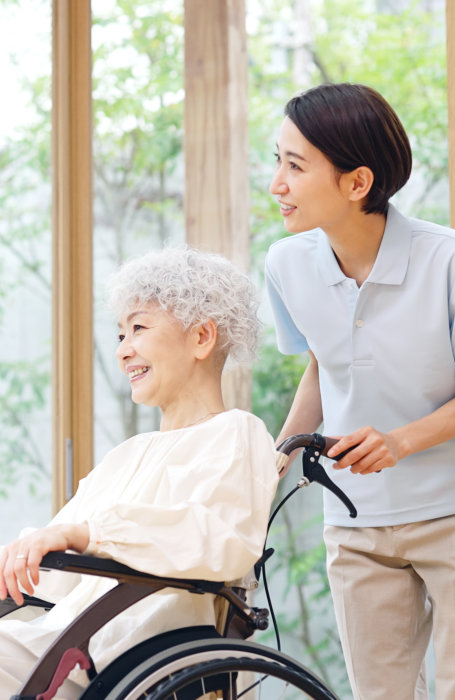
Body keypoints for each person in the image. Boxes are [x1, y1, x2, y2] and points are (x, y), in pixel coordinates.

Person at [265, 82, 455, 700]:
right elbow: (326, 365)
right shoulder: (286, 264)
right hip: (356, 521)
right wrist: (273, 462)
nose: (276, 183)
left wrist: (398, 441)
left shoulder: (454, 260)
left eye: (295, 166)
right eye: (277, 160)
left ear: (357, 183)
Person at [0, 246, 280, 699]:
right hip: (60, 644)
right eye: (120, 335)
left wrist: (86, 534)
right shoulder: (127, 455)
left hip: (130, 658)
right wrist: (19, 559)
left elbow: (218, 540)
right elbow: (58, 557)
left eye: (138, 329)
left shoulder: (236, 433)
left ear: (202, 337)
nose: (123, 351)